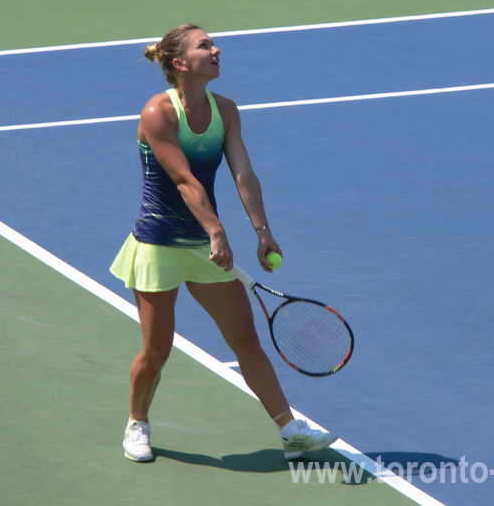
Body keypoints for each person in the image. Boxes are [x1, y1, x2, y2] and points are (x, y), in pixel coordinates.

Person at [110, 23, 336, 462]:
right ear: (180, 64)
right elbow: (183, 180)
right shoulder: (158, 113)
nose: (217, 50)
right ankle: (137, 422)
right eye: (204, 46)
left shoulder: (226, 111)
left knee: (247, 342)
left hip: (205, 247)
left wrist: (262, 231)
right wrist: (217, 232)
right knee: (157, 349)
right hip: (158, 248)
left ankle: (291, 432)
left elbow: (243, 174)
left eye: (213, 43)